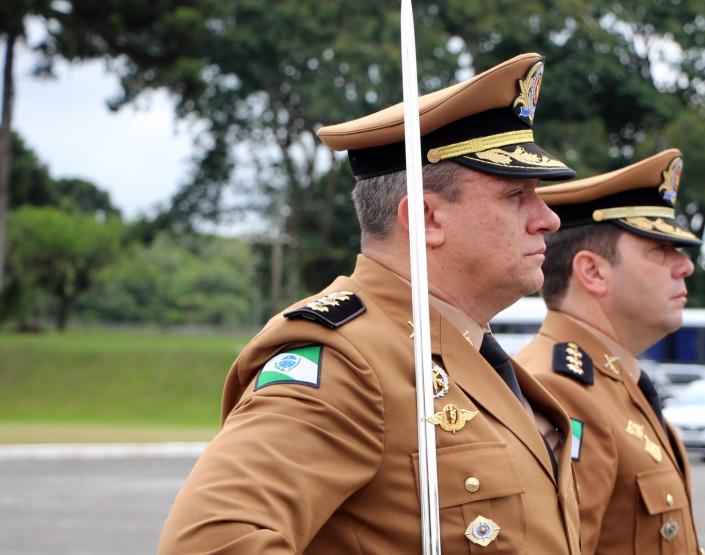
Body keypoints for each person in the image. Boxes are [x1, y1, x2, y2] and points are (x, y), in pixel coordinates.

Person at [158, 53, 583, 554]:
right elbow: (209, 543)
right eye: (517, 196)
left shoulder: (464, 352)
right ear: (426, 218)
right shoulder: (349, 360)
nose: (548, 219)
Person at [514, 149, 704, 555]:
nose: (684, 266)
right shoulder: (560, 391)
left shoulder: (613, 382)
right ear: (593, 272)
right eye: (661, 250)